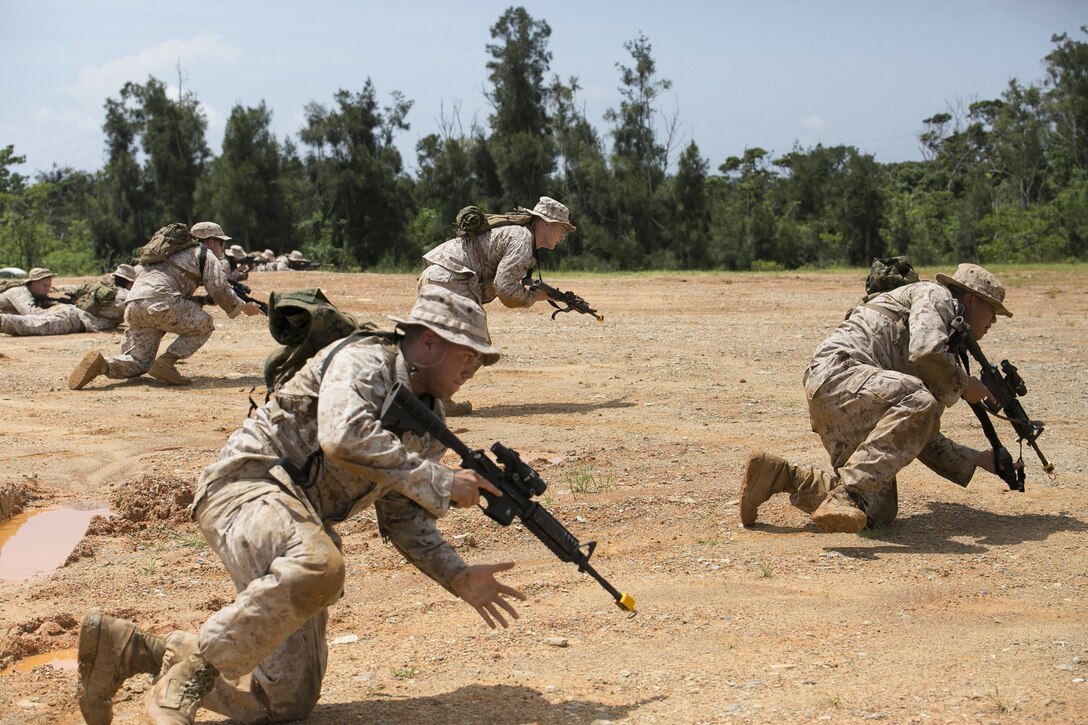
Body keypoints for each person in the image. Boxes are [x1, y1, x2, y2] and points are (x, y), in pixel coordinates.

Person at [75, 285, 525, 725]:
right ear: (429, 342)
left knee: (285, 702)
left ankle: (130, 648)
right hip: (247, 487)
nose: (473, 368)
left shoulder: (429, 424)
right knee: (318, 566)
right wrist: (442, 479)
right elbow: (343, 436)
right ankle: (189, 678)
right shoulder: (364, 359)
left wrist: (457, 574)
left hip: (300, 519)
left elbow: (403, 515)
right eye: (467, 355)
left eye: (478, 360)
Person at [739, 263, 1016, 534]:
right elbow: (924, 355)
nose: (993, 320)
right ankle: (846, 495)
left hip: (845, 394)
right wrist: (964, 385)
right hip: (841, 376)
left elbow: (914, 432)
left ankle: (776, 475)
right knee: (920, 402)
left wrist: (977, 459)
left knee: (876, 511)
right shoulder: (936, 296)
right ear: (970, 299)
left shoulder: (944, 341)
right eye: (992, 309)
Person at [418, 195, 576, 414]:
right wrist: (534, 297)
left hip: (442, 276)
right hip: (450, 279)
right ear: (546, 223)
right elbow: (505, 289)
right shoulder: (522, 239)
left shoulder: (520, 236)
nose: (563, 235)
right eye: (562, 228)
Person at [67, 222, 263, 389]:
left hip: (134, 305)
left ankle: (103, 365)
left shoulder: (170, 254)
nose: (221, 248)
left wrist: (200, 300)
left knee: (140, 362)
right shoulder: (204, 253)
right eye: (221, 243)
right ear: (211, 241)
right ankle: (167, 362)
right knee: (204, 324)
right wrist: (244, 307)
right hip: (160, 303)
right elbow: (220, 290)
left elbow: (170, 288)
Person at [0, 264, 137, 336]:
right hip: (71, 317)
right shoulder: (19, 292)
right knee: (36, 324)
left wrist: (56, 303)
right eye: (44, 285)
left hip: (77, 316)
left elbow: (63, 291)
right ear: (33, 283)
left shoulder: (108, 290)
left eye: (48, 285)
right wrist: (57, 308)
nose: (48, 289)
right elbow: (32, 314)